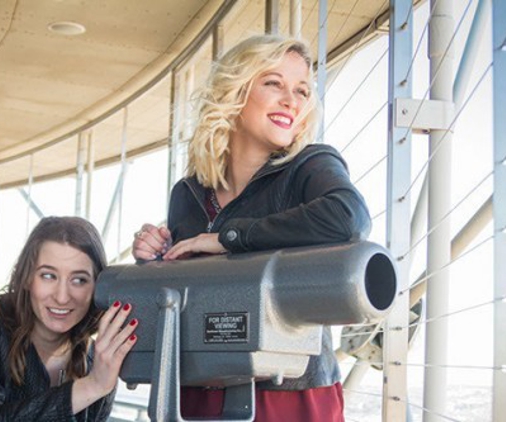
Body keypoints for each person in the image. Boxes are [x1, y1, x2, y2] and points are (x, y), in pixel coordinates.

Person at [132, 34, 371, 422]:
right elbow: (184, 300)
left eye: (302, 91)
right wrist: (155, 258)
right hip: (198, 388)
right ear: (236, 90)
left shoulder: (309, 166)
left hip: (290, 392)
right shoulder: (188, 193)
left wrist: (228, 238)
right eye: (274, 83)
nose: (291, 101)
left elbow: (349, 218)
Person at [0, 216, 138, 421]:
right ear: (26, 277)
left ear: (97, 288)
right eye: (48, 276)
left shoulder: (97, 359)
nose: (62, 297)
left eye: (79, 280)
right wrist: (91, 386)